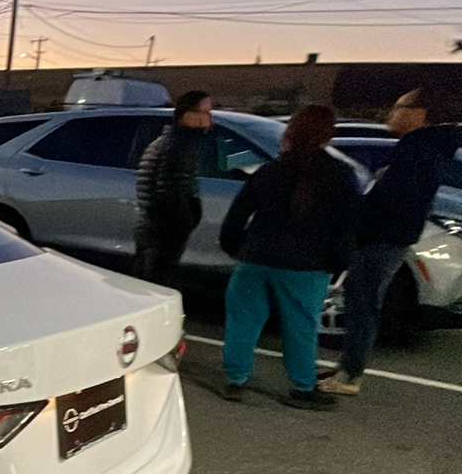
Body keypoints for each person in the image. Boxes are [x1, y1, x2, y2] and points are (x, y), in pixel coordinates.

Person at [319, 87, 462, 395]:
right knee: (363, 303)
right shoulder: (425, 147)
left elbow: (394, 200)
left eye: (399, 107)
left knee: (363, 304)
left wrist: (362, 214)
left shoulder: (418, 149)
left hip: (382, 238)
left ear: (419, 113)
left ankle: (349, 377)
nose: (391, 114)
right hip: (389, 237)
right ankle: (347, 367)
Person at [218, 105, 360, 411]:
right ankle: (302, 387)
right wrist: (338, 262)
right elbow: (347, 226)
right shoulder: (340, 176)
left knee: (243, 320)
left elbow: (237, 215)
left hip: (256, 258)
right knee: (301, 327)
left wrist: (236, 247)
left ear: (290, 132)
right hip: (306, 265)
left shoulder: (270, 171)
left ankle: (236, 380)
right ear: (328, 135)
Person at [133, 90, 213, 285]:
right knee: (155, 283)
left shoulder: (168, 142)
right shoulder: (180, 145)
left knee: (147, 279)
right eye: (203, 112)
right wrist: (186, 220)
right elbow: (171, 189)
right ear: (186, 114)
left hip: (153, 226)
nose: (208, 118)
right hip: (164, 229)